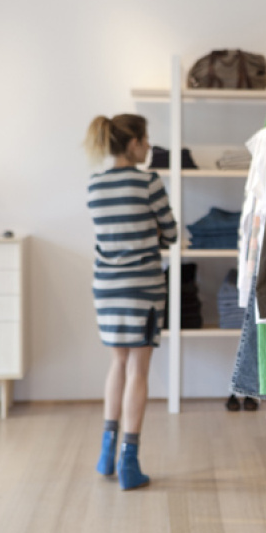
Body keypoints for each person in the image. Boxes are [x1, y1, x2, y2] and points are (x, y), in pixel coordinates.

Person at [83, 114, 177, 490]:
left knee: (118, 362)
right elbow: (170, 233)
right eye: (146, 139)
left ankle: (106, 453)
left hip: (106, 286)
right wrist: (151, 230)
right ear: (134, 142)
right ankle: (129, 461)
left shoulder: (95, 185)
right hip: (142, 287)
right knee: (139, 370)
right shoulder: (148, 182)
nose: (149, 146)